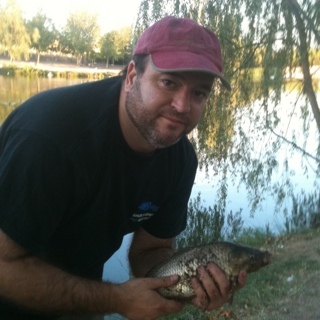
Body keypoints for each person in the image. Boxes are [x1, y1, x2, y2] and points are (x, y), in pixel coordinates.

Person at [0, 16, 246, 320]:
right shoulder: (50, 140)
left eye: (199, 93)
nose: (183, 106)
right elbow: (4, 265)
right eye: (169, 82)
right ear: (132, 76)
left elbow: (151, 251)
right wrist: (116, 298)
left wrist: (189, 283)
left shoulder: (179, 159)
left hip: (82, 293)